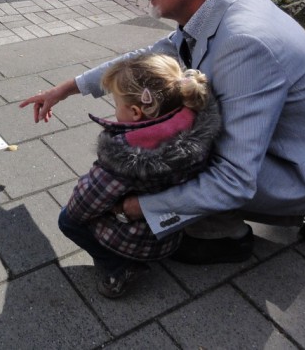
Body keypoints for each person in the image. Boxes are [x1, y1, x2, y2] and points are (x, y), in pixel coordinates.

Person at [20, 0, 305, 265]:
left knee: (175, 146)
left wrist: (138, 207)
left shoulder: (244, 44)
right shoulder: (228, 2)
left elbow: (234, 179)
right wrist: (68, 88)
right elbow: (150, 55)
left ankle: (227, 238)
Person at [59, 53, 221, 298]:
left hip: (136, 239)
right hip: (171, 231)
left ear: (136, 112)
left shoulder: (124, 159)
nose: (115, 110)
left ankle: (120, 267)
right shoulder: (196, 128)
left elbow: (82, 204)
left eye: (116, 104)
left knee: (67, 220)